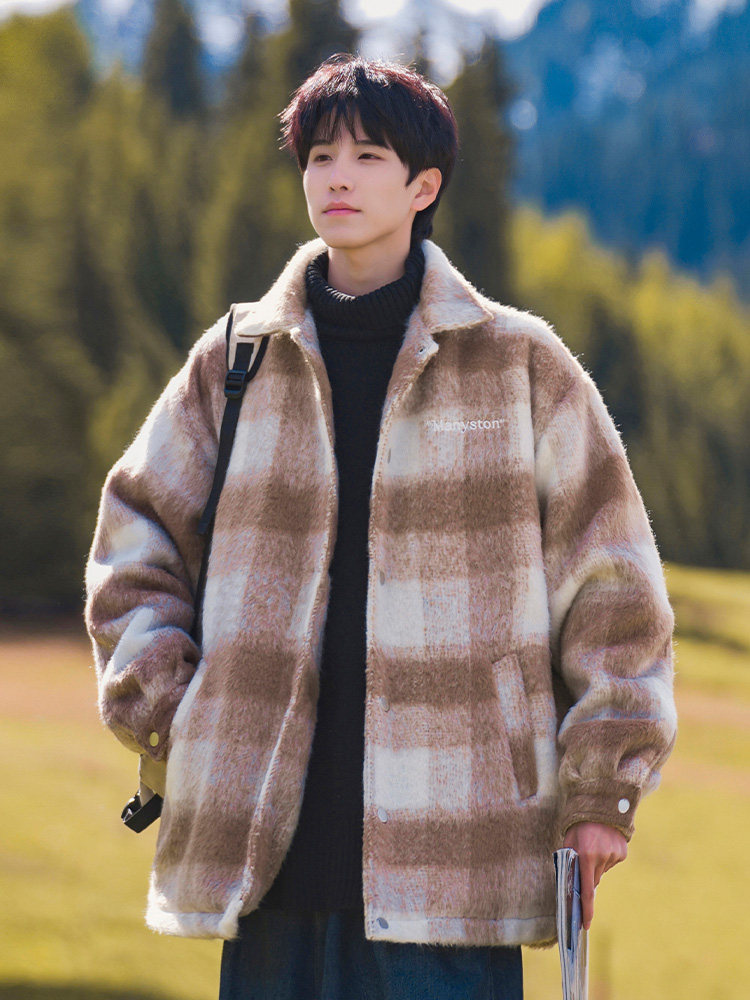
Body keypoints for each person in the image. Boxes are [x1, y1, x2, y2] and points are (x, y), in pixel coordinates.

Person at [84, 53, 677, 1000]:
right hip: (266, 872)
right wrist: (173, 710)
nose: (338, 177)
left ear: (423, 186)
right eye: (320, 156)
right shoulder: (235, 359)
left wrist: (602, 788)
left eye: (367, 156)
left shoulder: (520, 363)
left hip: (459, 871)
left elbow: (615, 588)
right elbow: (134, 540)